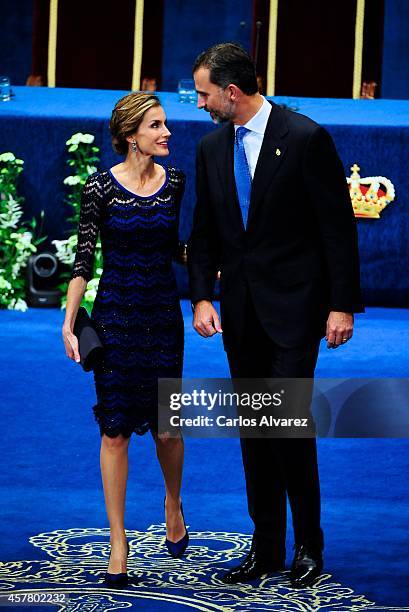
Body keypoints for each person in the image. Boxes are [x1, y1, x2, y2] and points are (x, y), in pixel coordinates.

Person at [188, 43, 363, 588]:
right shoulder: (212, 148)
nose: (199, 104)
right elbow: (204, 231)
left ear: (232, 93)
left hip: (295, 310)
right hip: (240, 314)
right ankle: (265, 547)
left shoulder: (306, 138)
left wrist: (340, 305)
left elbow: (337, 228)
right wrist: (199, 297)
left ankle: (309, 545)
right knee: (256, 434)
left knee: (286, 427)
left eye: (204, 93)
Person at [62, 92, 188, 588]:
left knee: (167, 430)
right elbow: (83, 259)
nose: (167, 133)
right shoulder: (99, 189)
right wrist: (69, 321)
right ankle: (119, 540)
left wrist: (210, 266)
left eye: (166, 125)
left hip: (161, 319)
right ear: (132, 136)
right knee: (113, 431)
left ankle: (172, 503)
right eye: (157, 126)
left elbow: (174, 245)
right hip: (115, 319)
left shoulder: (175, 182)